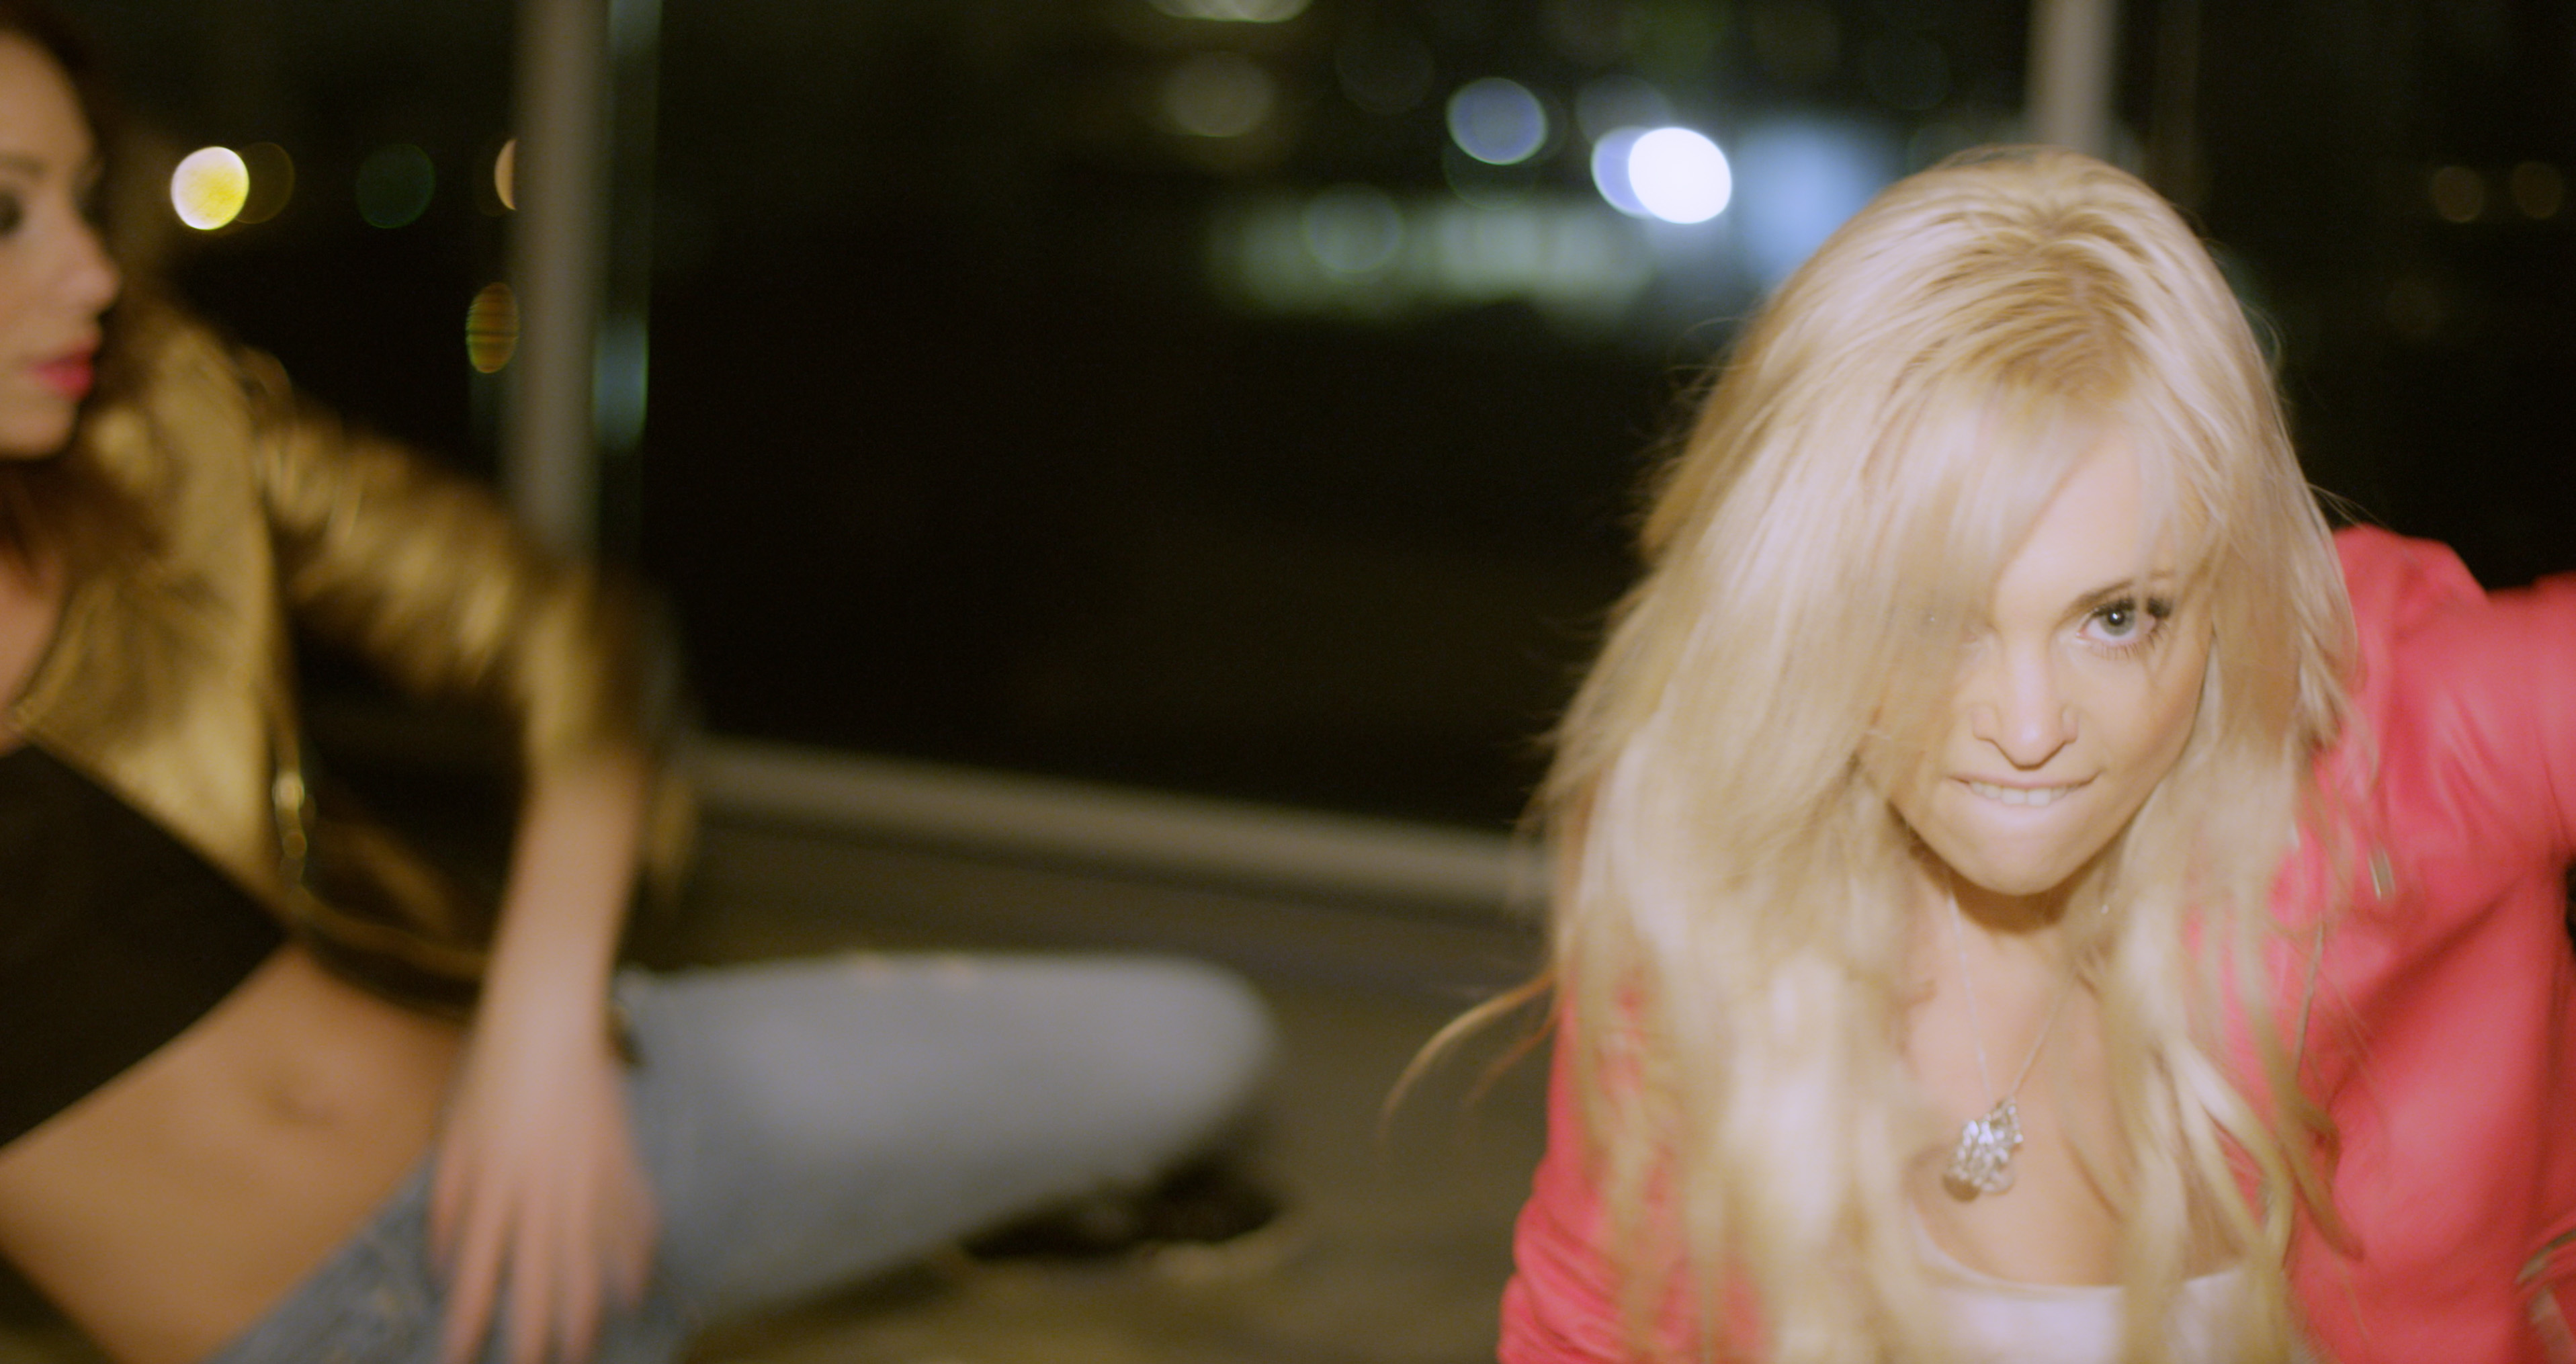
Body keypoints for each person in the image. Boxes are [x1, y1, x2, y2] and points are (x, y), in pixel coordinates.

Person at [0, 7, 1275, 1363]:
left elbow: (564, 631)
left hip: (604, 1131)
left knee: (1202, 1038)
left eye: (86, 197)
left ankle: (938, 1176)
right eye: (5, 212)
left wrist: (542, 1031)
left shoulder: (156, 417)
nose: (94, 270)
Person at [1493, 145, 2576, 1363]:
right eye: (1932, 615)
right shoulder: (1718, 838)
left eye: (2116, 618)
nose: (2024, 728)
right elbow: (1593, 1325)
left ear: (2228, 589)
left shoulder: (2399, 739)